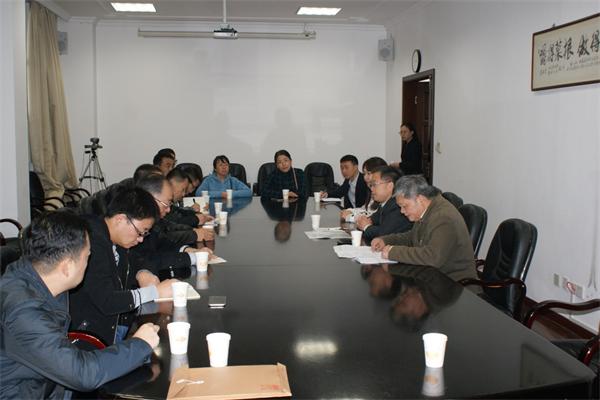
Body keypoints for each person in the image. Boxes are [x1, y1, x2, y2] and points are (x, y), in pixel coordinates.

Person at [0, 212, 160, 399]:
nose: (89, 262)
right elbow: (82, 374)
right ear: (67, 266)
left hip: (52, 385)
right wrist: (140, 344)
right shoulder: (22, 312)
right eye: (87, 256)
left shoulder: (36, 276)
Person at [70, 187, 177, 345]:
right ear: (120, 219)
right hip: (91, 338)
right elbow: (107, 301)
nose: (141, 239)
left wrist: (142, 272)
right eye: (140, 232)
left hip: (117, 323)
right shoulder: (91, 244)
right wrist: (155, 292)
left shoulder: (114, 237)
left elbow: (136, 260)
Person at [371, 175, 477, 282]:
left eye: (404, 206)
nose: (402, 211)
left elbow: (433, 257)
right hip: (433, 276)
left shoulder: (443, 217)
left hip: (455, 284)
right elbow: (412, 237)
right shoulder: (427, 210)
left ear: (420, 199)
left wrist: (393, 252)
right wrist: (385, 240)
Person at [355, 166, 411, 242]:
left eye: (374, 184)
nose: (371, 189)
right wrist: (364, 222)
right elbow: (371, 220)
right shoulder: (384, 204)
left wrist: (366, 226)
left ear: (390, 186)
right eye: (371, 185)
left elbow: (385, 234)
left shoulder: (397, 206)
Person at [341, 156, 388, 222]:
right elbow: (366, 209)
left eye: (369, 173)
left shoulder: (383, 194)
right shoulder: (371, 191)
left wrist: (350, 217)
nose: (365, 177)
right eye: (364, 173)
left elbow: (372, 217)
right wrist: (350, 211)